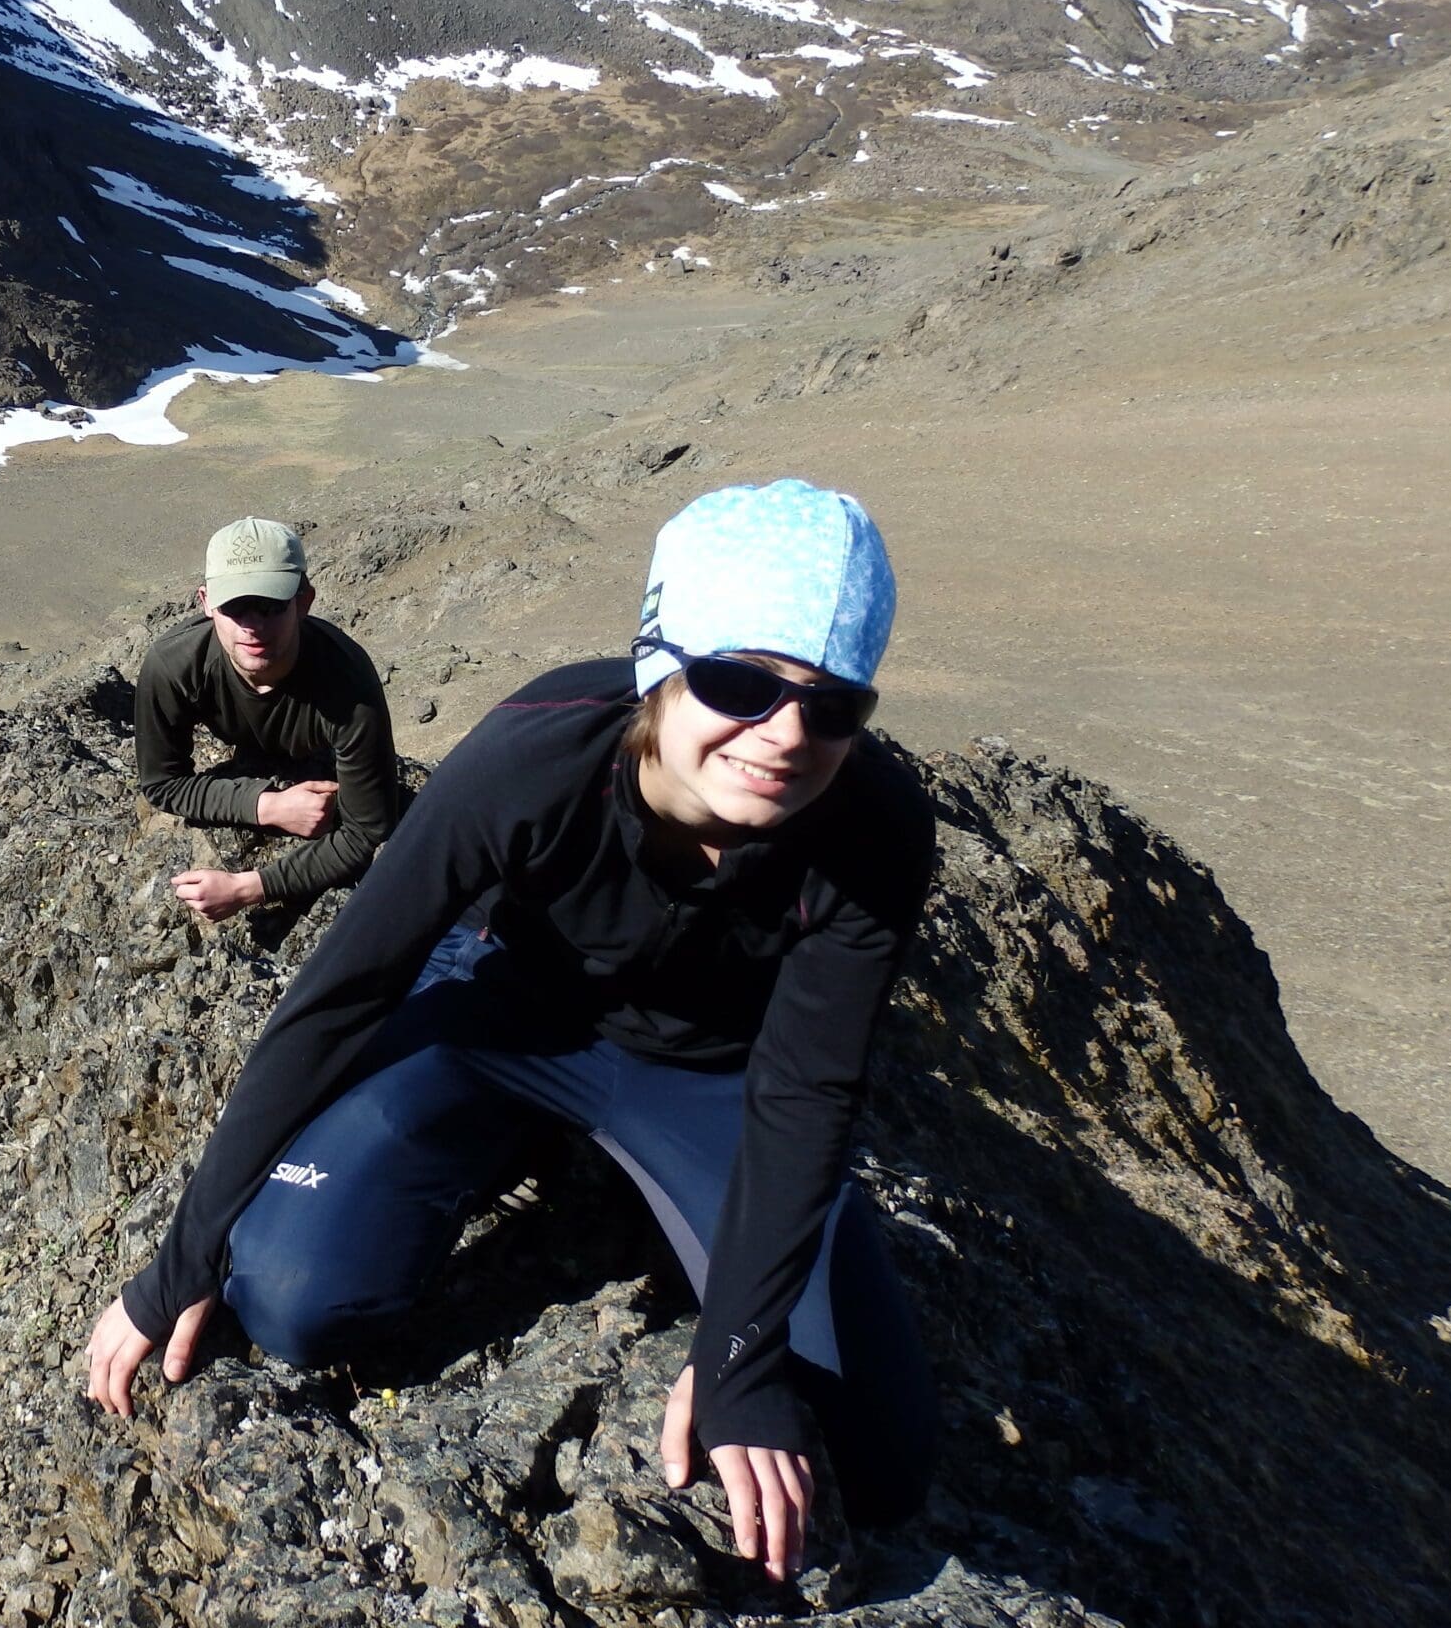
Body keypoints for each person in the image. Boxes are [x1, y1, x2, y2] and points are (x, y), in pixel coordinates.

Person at [87, 480, 940, 1583]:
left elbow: (808, 1089)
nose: (785, 736)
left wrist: (739, 1357)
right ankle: (528, 1148)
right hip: (500, 1011)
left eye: (834, 708)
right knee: (294, 1302)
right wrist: (184, 1252)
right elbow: (342, 994)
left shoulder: (872, 828)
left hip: (708, 1075)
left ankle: (630, 1183)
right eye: (739, 682)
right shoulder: (539, 754)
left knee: (876, 1458)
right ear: (660, 661)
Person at [135, 516, 399, 923]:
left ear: (303, 600)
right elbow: (162, 782)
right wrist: (267, 806)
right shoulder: (174, 666)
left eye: (270, 605)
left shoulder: (347, 683)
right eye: (234, 606)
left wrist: (247, 888)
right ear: (206, 603)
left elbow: (366, 831)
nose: (252, 626)